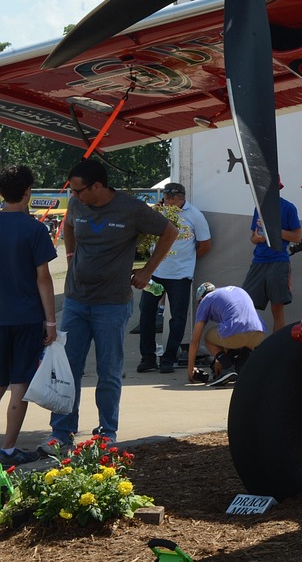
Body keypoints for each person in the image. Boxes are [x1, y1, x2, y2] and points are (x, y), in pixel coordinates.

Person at [43, 158, 177, 454]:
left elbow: (170, 232)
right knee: (68, 368)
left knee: (109, 370)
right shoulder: (77, 205)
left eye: (78, 190)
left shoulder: (130, 209)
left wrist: (148, 271)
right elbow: (68, 225)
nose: (74, 196)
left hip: (112, 304)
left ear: (98, 186)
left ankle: (106, 433)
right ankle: (61, 434)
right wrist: (70, 256)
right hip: (76, 301)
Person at [0, 165, 58, 466]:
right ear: (28, 192)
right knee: (19, 383)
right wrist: (51, 321)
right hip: (27, 316)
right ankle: (9, 449)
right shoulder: (35, 229)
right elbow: (43, 279)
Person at [138, 182, 211, 374]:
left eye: (172, 199)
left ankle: (169, 358)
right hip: (155, 273)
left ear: (182, 198)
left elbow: (205, 244)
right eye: (166, 199)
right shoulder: (158, 212)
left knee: (178, 318)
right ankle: (148, 358)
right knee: (146, 313)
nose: (169, 202)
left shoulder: (194, 215)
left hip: (180, 275)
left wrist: (187, 260)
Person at [245, 179, 302, 332]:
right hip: (258, 261)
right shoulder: (259, 208)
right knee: (246, 304)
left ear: (277, 188)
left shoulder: (288, 207)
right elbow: (253, 238)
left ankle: (276, 345)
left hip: (279, 261)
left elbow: (297, 236)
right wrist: (257, 238)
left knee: (277, 309)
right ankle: (253, 343)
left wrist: (273, 231)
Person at [187, 282, 266, 387]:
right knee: (240, 338)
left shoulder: (206, 300)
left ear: (201, 298)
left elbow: (195, 342)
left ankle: (228, 368)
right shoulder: (235, 290)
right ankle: (243, 368)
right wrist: (218, 361)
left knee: (208, 337)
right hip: (259, 333)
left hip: (236, 333)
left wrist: (190, 371)